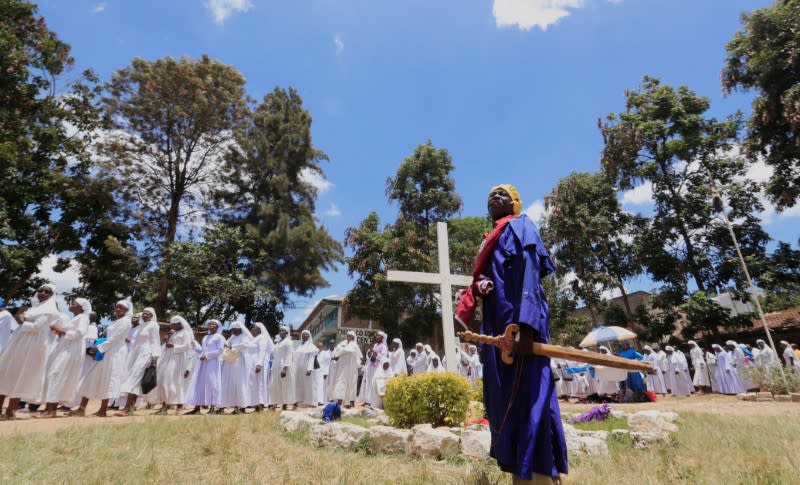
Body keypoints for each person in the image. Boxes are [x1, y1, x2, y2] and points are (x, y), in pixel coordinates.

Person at [455, 184, 567, 484]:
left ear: (515, 204)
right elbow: (494, 278)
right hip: (498, 333)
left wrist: (526, 327)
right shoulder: (492, 238)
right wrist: (481, 286)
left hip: (519, 331)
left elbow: (530, 272)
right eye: (490, 195)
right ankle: (521, 472)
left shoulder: (521, 226)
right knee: (506, 402)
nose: (494, 197)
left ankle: (540, 475)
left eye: (502, 194)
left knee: (530, 397)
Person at [0, 284, 61, 420]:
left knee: (21, 375)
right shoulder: (34, 307)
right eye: (40, 290)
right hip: (19, 341)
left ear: (52, 295)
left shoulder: (50, 310)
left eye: (47, 291)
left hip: (33, 345)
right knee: (6, 371)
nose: (42, 293)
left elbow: (36, 327)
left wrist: (22, 320)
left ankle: (11, 411)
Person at [71, 299, 134, 417]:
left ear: (126, 310)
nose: (118, 309)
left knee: (108, 380)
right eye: (117, 306)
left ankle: (102, 410)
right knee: (90, 377)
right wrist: (100, 348)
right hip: (106, 351)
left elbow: (114, 339)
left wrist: (97, 348)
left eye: (121, 307)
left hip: (115, 354)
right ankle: (81, 408)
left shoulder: (125, 322)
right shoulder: (117, 321)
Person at [36, 298, 92, 418]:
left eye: (74, 303)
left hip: (70, 351)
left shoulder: (83, 318)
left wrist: (61, 331)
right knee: (54, 375)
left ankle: (52, 411)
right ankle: (49, 408)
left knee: (57, 375)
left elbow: (80, 333)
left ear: (81, 307)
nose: (71, 304)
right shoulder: (75, 318)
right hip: (64, 349)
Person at [117, 307, 161, 416]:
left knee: (134, 378)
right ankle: (129, 408)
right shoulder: (141, 326)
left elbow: (155, 341)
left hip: (146, 354)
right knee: (133, 379)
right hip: (136, 354)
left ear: (152, 315)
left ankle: (128, 408)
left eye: (148, 314)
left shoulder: (154, 325)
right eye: (144, 313)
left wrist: (154, 358)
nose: (145, 315)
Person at [151, 316, 193, 415]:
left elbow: (187, 346)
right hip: (168, 358)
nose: (171, 326)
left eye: (173, 324)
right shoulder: (175, 333)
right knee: (163, 382)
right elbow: (168, 345)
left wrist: (174, 346)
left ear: (179, 324)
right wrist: (167, 340)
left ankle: (179, 405)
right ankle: (165, 406)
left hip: (178, 360)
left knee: (175, 382)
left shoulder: (185, 333)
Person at [184, 320, 225, 415]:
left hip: (213, 363)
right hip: (203, 363)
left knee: (212, 383)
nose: (211, 325)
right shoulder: (206, 337)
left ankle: (212, 408)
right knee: (200, 383)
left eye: (213, 324)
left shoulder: (219, 337)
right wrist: (195, 345)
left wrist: (207, 356)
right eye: (210, 324)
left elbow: (220, 350)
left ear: (217, 326)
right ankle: (197, 408)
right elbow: (202, 350)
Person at [219, 321, 254, 414]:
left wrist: (233, 347)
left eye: (234, 329)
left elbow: (246, 345)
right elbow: (227, 343)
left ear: (239, 329)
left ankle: (241, 406)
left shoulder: (244, 336)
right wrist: (227, 345)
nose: (232, 331)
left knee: (239, 383)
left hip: (238, 362)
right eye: (232, 329)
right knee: (229, 383)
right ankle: (228, 406)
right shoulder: (233, 336)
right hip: (230, 361)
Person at [330, 331, 362, 408]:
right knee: (340, 383)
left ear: (354, 337)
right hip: (341, 368)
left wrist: (336, 356)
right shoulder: (342, 343)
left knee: (351, 385)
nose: (349, 337)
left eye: (350, 336)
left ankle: (349, 403)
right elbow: (337, 351)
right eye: (348, 335)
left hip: (351, 369)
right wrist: (335, 356)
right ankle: (339, 403)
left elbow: (346, 351)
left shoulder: (354, 344)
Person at [268, 326, 295, 410]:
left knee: (285, 385)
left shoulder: (288, 342)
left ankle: (285, 404)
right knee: (275, 384)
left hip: (284, 365)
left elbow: (288, 355)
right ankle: (274, 403)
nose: (281, 332)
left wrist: (284, 368)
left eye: (283, 331)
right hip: (276, 365)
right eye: (280, 330)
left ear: (287, 333)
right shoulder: (278, 342)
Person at [250, 322, 274, 411]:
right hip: (254, 364)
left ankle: (260, 403)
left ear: (259, 329)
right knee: (255, 384)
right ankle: (256, 403)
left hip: (260, 364)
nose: (252, 329)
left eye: (254, 327)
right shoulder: (255, 339)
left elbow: (262, 351)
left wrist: (259, 364)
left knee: (260, 383)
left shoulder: (262, 338)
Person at [359, 331, 387, 406]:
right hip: (371, 366)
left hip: (377, 367)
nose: (376, 337)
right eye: (376, 335)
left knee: (374, 384)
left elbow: (383, 357)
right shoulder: (375, 345)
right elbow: (371, 356)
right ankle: (367, 400)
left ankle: (373, 402)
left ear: (382, 338)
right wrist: (370, 353)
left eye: (378, 336)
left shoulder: (383, 346)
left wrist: (375, 352)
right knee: (368, 383)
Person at [293, 330, 318, 407]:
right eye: (303, 334)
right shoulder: (299, 346)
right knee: (298, 384)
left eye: (306, 335)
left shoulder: (311, 346)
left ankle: (310, 402)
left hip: (306, 368)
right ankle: (298, 400)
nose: (304, 336)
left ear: (309, 336)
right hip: (298, 369)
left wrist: (309, 369)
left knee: (308, 384)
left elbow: (311, 359)